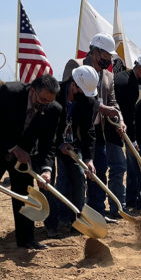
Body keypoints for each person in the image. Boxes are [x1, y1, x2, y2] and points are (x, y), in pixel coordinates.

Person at [0, 74, 62, 252]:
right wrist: (14, 148)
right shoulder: (9, 92)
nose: (44, 105)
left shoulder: (54, 110)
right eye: (42, 100)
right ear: (33, 91)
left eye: (48, 102)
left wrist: (46, 170)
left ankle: (26, 238)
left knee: (24, 193)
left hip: (23, 154)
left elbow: (48, 145)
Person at [63, 33, 125, 221]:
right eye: (106, 55)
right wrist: (103, 108)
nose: (108, 59)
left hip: (97, 130)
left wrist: (120, 118)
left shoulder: (108, 75)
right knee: (75, 175)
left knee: (99, 170)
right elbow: (73, 95)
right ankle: (71, 214)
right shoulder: (75, 65)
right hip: (75, 129)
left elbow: (113, 102)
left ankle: (97, 212)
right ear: (95, 51)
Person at [44, 66, 98, 238]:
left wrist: (89, 158)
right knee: (48, 181)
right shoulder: (55, 94)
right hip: (49, 142)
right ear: (73, 85)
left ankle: (77, 219)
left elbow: (88, 130)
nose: (84, 94)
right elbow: (46, 128)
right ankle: (53, 223)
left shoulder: (87, 101)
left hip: (72, 145)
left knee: (79, 175)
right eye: (82, 90)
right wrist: (59, 145)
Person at [114, 53, 141, 210]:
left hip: (117, 127)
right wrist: (133, 139)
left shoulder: (121, 76)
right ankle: (136, 201)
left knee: (132, 166)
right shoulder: (129, 84)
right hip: (118, 130)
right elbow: (128, 115)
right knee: (128, 166)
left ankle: (132, 199)